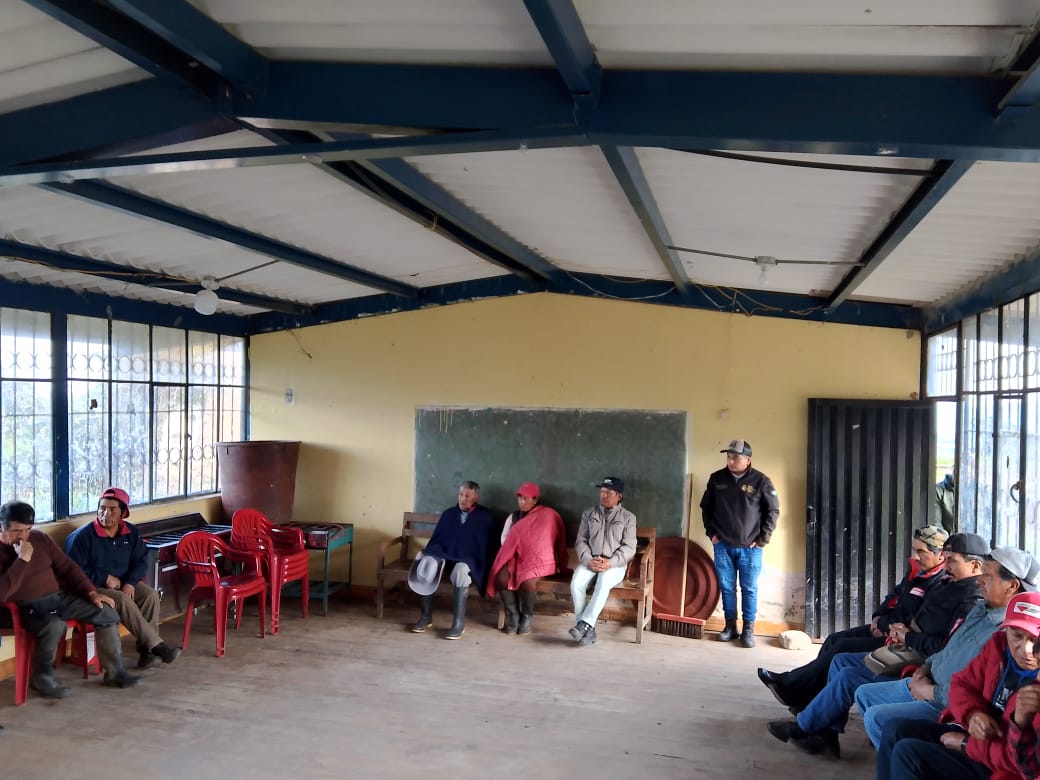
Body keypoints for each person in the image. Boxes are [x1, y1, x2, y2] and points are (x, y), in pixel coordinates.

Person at [766, 532, 987, 759]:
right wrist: (891, 625)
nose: (946, 565)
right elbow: (900, 601)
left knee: (848, 674)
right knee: (840, 658)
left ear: (975, 565)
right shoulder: (949, 583)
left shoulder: (971, 601)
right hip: (911, 651)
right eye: (946, 559)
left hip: (918, 663)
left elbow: (946, 650)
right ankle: (824, 731)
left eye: (952, 561)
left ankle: (806, 727)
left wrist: (908, 637)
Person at [860, 545, 1040, 749]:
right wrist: (924, 668)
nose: (978, 580)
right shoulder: (981, 609)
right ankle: (888, 750)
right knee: (864, 694)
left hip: (944, 701)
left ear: (1012, 586)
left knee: (878, 718)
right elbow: (949, 650)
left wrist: (930, 691)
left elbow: (974, 689)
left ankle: (893, 752)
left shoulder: (1005, 634)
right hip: (928, 680)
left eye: (988, 576)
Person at [759, 525, 952, 712]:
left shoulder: (939, 584)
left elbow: (911, 620)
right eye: (914, 550)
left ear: (941, 555)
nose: (915, 556)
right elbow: (894, 596)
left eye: (922, 551)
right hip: (886, 627)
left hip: (898, 641)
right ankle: (807, 698)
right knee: (833, 639)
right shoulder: (917, 570)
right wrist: (878, 617)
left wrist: (883, 624)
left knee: (842, 648)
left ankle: (792, 686)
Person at [877, 590, 1040, 780]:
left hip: (998, 765)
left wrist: (966, 745)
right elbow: (962, 684)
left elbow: (1025, 764)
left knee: (909, 754)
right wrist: (973, 714)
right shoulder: (998, 647)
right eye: (1017, 635)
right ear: (1007, 630)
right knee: (894, 730)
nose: (1025, 649)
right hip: (974, 737)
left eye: (1035, 640)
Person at [0, 500, 140, 699]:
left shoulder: (40, 539)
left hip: (58, 598)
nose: (22, 537)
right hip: (23, 606)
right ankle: (41, 677)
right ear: (2, 527)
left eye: (27, 530)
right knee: (55, 626)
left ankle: (115, 672)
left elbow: (68, 567)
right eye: (16, 531)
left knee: (105, 612)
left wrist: (91, 592)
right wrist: (22, 560)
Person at [65, 487, 180, 669]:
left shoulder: (130, 533)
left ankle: (146, 653)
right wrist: (104, 577)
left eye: (112, 509)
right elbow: (73, 571)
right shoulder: (82, 537)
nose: (106, 514)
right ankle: (158, 647)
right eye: (102, 508)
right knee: (123, 600)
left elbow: (141, 561)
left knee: (150, 595)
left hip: (122, 582)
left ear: (123, 513)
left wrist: (131, 582)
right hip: (92, 588)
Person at [701, 439, 780, 648]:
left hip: (750, 549)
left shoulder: (762, 481)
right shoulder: (717, 478)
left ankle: (748, 630)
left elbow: (773, 511)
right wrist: (711, 534)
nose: (731, 460)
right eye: (729, 456)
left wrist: (762, 539)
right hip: (723, 546)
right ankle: (730, 627)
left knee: (749, 589)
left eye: (735, 457)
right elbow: (706, 507)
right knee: (727, 588)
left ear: (748, 460)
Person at [409, 480, 494, 640]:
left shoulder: (485, 517)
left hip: (468, 560)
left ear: (476, 497)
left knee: (460, 572)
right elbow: (438, 540)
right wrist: (434, 553)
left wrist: (470, 558)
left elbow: (484, 547)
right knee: (428, 564)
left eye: (467, 496)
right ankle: (426, 617)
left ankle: (458, 624)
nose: (463, 499)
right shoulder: (448, 514)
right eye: (461, 495)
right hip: (445, 557)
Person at [486, 482, 567, 635]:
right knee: (501, 577)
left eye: (526, 499)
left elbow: (548, 539)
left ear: (535, 500)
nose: (522, 502)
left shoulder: (547, 515)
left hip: (538, 559)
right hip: (514, 558)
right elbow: (505, 540)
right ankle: (514, 614)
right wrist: (517, 545)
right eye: (520, 498)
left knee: (527, 581)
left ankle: (527, 617)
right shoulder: (513, 517)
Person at [568, 476, 637, 646]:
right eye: (602, 492)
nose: (603, 495)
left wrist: (610, 562)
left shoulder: (628, 517)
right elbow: (581, 541)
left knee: (604, 582)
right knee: (576, 583)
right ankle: (587, 627)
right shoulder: (589, 514)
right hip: (591, 561)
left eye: (608, 493)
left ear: (619, 496)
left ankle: (584, 625)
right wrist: (588, 559)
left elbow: (629, 548)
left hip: (614, 565)